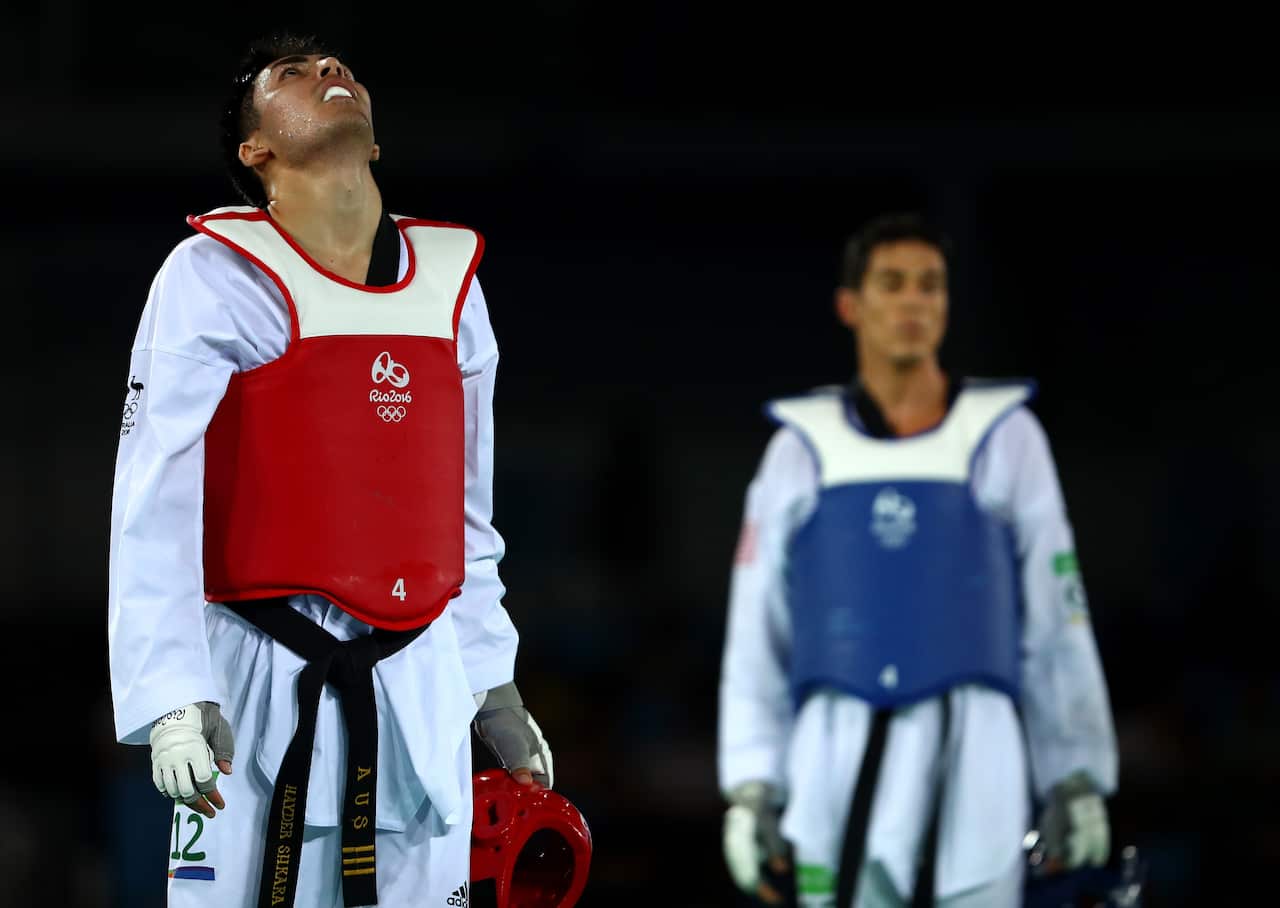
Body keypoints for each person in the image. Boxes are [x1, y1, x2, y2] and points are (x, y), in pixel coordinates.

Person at [108, 33, 552, 908]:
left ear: (377, 142)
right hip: (257, 673)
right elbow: (154, 493)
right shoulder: (212, 274)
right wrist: (171, 689)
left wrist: (489, 676)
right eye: (292, 74)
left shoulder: (452, 285)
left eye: (339, 66)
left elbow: (463, 516)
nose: (330, 73)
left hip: (418, 681)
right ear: (255, 149)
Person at [716, 213, 1118, 907]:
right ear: (851, 305)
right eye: (892, 284)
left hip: (977, 748)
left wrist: (1076, 774)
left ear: (948, 304)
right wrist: (752, 786)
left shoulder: (1006, 435)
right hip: (832, 746)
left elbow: (1059, 617)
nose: (913, 302)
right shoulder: (798, 448)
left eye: (930, 286)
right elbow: (758, 634)